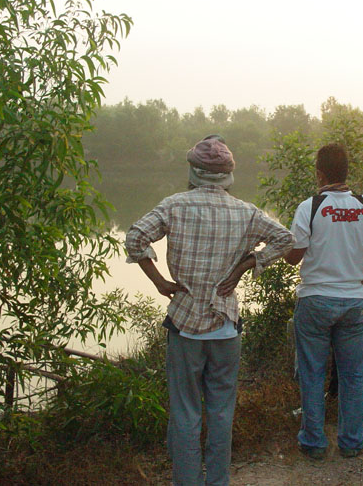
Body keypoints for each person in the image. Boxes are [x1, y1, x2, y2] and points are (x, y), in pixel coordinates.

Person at [125, 135, 294, 485]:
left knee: (186, 412)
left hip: (185, 324)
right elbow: (285, 239)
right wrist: (246, 264)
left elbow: (135, 237)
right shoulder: (246, 212)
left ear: (194, 171)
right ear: (228, 175)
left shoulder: (175, 205)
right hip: (226, 328)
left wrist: (159, 281)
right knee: (220, 411)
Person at [284, 143, 363, 459]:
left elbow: (293, 258)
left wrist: (281, 246)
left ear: (319, 173)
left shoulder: (309, 207)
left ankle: (313, 443)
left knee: (312, 373)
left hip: (315, 301)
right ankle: (351, 443)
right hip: (355, 302)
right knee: (353, 376)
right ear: (346, 171)